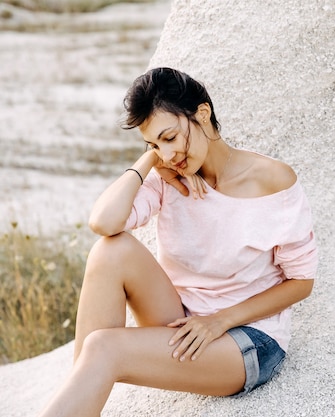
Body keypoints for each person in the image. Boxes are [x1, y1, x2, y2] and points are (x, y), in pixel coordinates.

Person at [39, 67, 318, 417]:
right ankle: (82, 398)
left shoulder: (272, 180)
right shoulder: (169, 177)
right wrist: (148, 162)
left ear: (202, 114)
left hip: (248, 340)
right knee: (111, 250)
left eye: (170, 138)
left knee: (104, 347)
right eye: (154, 144)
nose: (168, 154)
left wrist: (219, 320)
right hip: (181, 321)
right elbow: (104, 222)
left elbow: (301, 282)